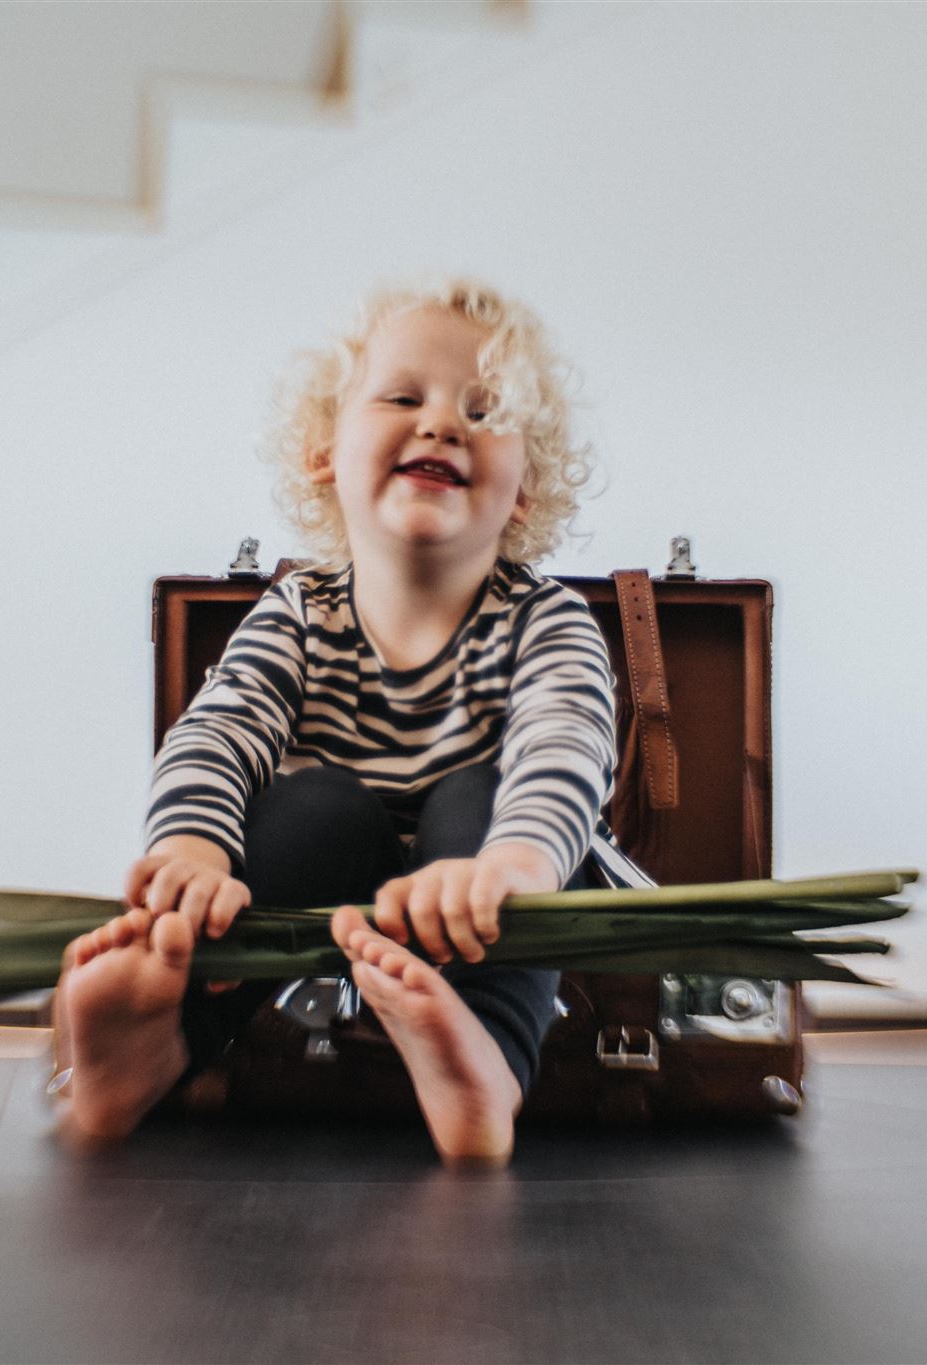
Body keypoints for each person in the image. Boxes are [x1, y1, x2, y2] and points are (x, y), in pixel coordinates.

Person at [51, 278, 652, 1166]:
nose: (442, 423)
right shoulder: (300, 612)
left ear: (524, 489)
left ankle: (482, 1065)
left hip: (485, 904)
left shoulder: (547, 619)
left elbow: (565, 747)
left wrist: (514, 867)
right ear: (323, 452)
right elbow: (218, 734)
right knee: (313, 806)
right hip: (335, 901)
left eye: (483, 411)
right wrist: (190, 856)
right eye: (403, 397)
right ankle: (161, 1046)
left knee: (482, 797)